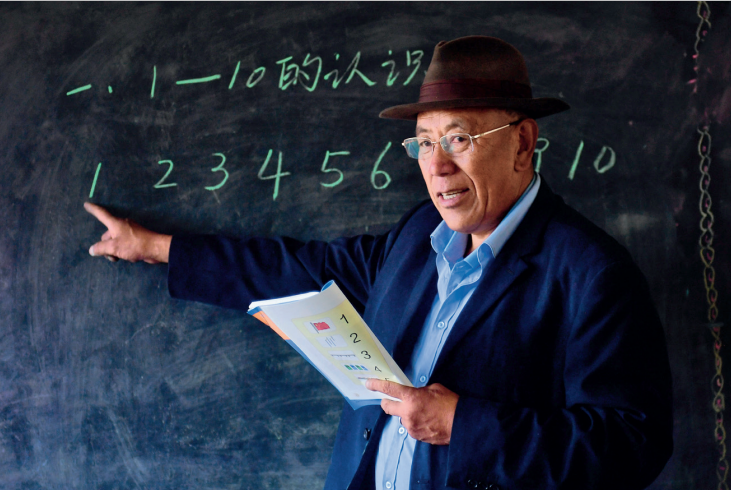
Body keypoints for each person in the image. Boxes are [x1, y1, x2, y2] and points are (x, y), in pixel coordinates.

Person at [85, 36, 673, 490]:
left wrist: (462, 425)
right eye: (424, 141)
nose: (436, 166)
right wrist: (155, 247)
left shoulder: (592, 273)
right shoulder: (417, 236)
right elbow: (301, 269)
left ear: (522, 143)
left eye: (459, 139)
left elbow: (632, 445)